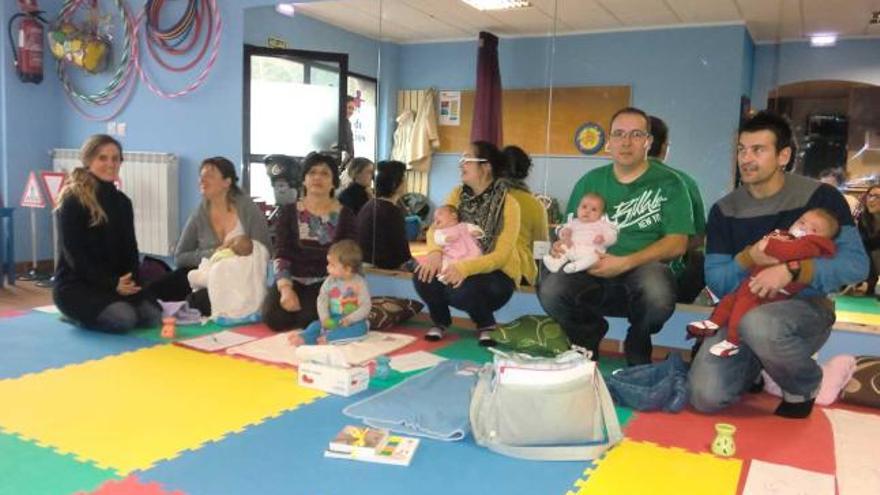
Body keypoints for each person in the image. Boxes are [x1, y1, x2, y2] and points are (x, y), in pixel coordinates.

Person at [689, 111, 867, 419]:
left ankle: (805, 385)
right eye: (742, 150)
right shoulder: (725, 210)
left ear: (783, 155)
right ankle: (760, 368)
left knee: (762, 325)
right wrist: (749, 259)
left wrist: (792, 270)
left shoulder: (820, 197)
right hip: (743, 308)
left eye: (758, 150)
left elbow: (855, 265)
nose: (746, 158)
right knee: (705, 396)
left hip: (803, 311)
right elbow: (717, 280)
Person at [537, 107, 695, 365]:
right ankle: (587, 334)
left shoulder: (671, 183)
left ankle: (638, 339)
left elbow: (678, 243)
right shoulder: (589, 182)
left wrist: (625, 262)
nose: (626, 142)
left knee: (657, 292)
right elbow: (570, 230)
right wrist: (560, 246)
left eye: (635, 134)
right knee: (552, 287)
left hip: (642, 270)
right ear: (608, 142)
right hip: (589, 267)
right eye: (619, 134)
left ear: (648, 141)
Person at [688, 208, 839, 357]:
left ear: (822, 238)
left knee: (743, 306)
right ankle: (714, 322)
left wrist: (768, 245)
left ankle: (733, 341)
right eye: (801, 222)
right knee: (730, 300)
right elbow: (757, 253)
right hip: (753, 282)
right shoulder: (785, 235)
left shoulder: (809, 246)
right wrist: (757, 250)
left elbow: (786, 251)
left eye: (813, 229)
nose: (803, 228)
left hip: (773, 292)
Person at [413, 141, 521, 346]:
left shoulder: (508, 203)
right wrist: (435, 253)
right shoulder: (457, 195)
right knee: (422, 275)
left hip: (497, 274)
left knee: (461, 288)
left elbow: (501, 256)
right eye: (461, 160)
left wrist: (464, 268)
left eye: (467, 160)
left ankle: (486, 325)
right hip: (455, 261)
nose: (461, 164)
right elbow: (437, 226)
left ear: (486, 166)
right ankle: (440, 322)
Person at [53, 134, 161, 332]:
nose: (110, 164)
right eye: (102, 158)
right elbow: (74, 256)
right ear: (88, 161)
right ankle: (74, 316)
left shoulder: (122, 202)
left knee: (153, 315)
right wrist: (112, 284)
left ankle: (112, 306)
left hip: (116, 284)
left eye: (115, 158)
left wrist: (131, 282)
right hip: (77, 285)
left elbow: (130, 249)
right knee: (124, 319)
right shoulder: (73, 200)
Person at [151, 157, 271, 316]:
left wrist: (236, 252)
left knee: (199, 301)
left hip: (237, 276)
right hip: (205, 272)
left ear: (226, 182)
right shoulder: (200, 213)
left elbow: (264, 251)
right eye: (201, 176)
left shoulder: (247, 209)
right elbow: (180, 257)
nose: (203, 180)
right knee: (158, 289)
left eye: (210, 176)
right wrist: (213, 253)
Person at [262, 152, 357, 331]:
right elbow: (281, 253)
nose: (317, 178)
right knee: (274, 318)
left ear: (333, 182)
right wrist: (285, 289)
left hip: (328, 281)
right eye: (312, 173)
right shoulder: (289, 212)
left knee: (310, 319)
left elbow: (350, 257)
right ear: (304, 180)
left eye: (324, 173)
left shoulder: (346, 215)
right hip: (293, 278)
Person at [648, 115, 707, 303]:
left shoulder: (610, 181)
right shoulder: (683, 181)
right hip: (668, 278)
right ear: (664, 146)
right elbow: (698, 237)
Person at [289, 240, 371, 346]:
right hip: (334, 319)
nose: (327, 267)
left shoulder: (360, 283)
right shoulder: (330, 281)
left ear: (347, 269)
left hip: (353, 321)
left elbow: (365, 306)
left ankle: (330, 339)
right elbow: (322, 299)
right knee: (315, 325)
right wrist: (325, 318)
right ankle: (305, 337)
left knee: (360, 329)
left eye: (332, 265)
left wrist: (351, 319)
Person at [501, 145, 549, 285]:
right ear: (525, 172)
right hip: (520, 272)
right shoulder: (535, 205)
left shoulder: (484, 198)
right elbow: (541, 248)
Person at [357, 160, 412, 270]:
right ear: (395, 184)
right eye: (404, 179)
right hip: (380, 271)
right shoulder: (391, 211)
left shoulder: (369, 205)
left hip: (361, 264)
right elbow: (403, 255)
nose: (406, 183)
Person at [543, 193, 617, 274]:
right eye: (584, 207)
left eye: (594, 209)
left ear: (601, 214)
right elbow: (562, 230)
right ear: (577, 208)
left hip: (591, 250)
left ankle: (575, 266)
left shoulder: (602, 224)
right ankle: (555, 264)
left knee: (594, 258)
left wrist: (604, 238)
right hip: (572, 247)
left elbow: (613, 236)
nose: (587, 211)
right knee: (563, 248)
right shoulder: (573, 222)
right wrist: (565, 234)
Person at [431, 205, 484, 283]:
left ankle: (470, 272)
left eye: (440, 214)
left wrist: (477, 233)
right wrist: (445, 239)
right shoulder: (439, 231)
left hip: (469, 249)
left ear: (454, 215)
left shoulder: (464, 225)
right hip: (452, 254)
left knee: (477, 255)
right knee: (445, 262)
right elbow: (437, 239)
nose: (436, 218)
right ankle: (445, 276)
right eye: (434, 218)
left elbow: (475, 228)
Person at [856, 185, 880, 297]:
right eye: (870, 196)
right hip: (871, 261)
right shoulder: (863, 218)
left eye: (877, 197)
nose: (871, 200)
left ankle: (869, 283)